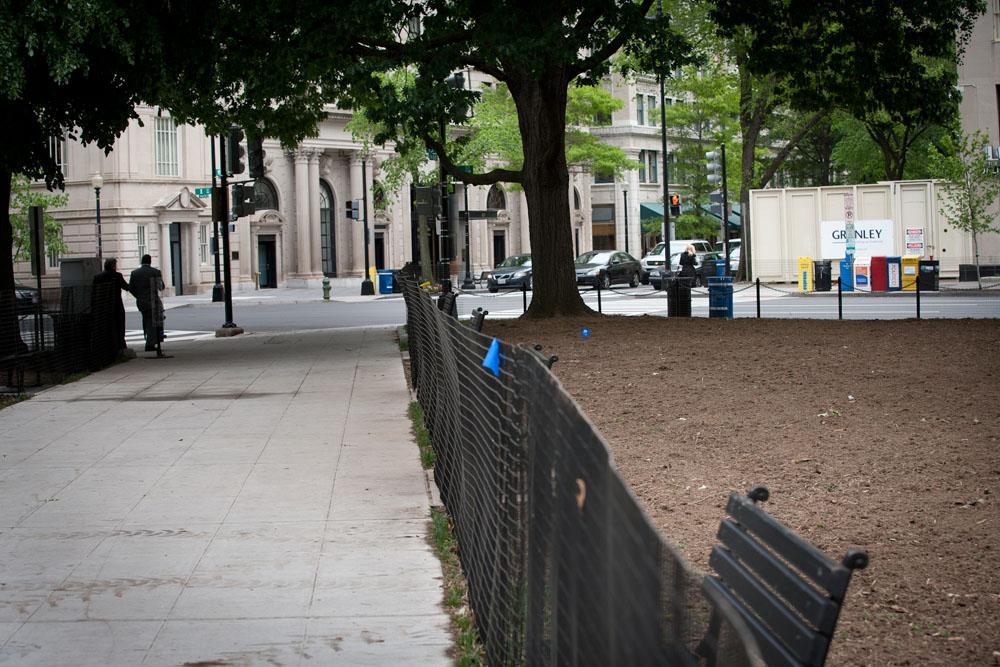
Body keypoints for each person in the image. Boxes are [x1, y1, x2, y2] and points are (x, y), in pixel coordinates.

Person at [90, 258, 130, 366]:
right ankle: (119, 346)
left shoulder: (98, 277)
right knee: (119, 325)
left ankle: (106, 348)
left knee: (105, 326)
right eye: (115, 264)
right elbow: (126, 287)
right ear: (113, 265)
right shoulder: (117, 276)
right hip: (116, 305)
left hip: (102, 306)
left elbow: (93, 292)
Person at [129, 254, 166, 357]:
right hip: (153, 301)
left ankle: (149, 338)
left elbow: (131, 288)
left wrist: (139, 296)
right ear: (150, 261)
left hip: (141, 301)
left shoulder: (134, 273)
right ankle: (151, 342)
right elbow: (161, 287)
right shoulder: (155, 272)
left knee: (146, 320)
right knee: (153, 321)